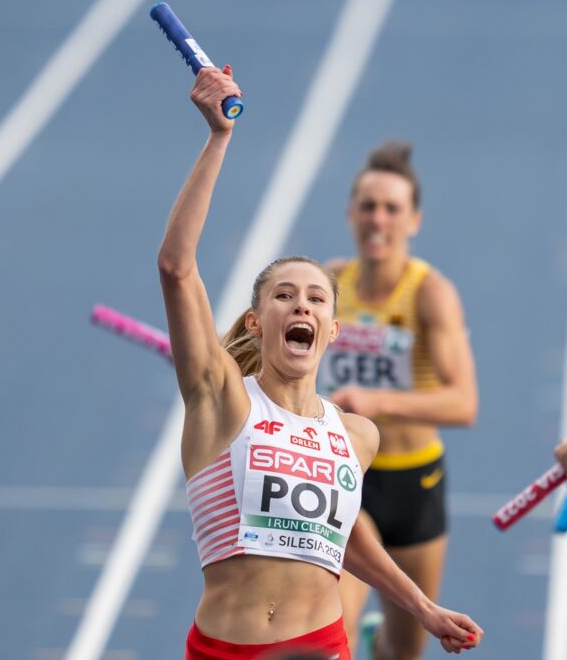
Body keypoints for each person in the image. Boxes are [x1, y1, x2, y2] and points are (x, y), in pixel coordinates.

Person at [159, 65, 483, 660]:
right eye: (284, 295)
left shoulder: (356, 436)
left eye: (315, 297)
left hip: (319, 644)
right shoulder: (222, 399)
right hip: (223, 647)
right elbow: (177, 269)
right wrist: (218, 139)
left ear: (333, 329)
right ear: (257, 321)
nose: (300, 304)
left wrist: (423, 608)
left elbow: (350, 540)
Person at [316, 142, 479, 658]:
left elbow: (463, 404)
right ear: (350, 213)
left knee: (405, 650)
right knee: (329, 633)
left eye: (391, 209)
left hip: (413, 481)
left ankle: (379, 643)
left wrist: (376, 402)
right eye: (367, 206)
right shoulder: (329, 282)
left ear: (414, 220)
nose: (377, 219)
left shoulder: (430, 293)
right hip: (346, 477)